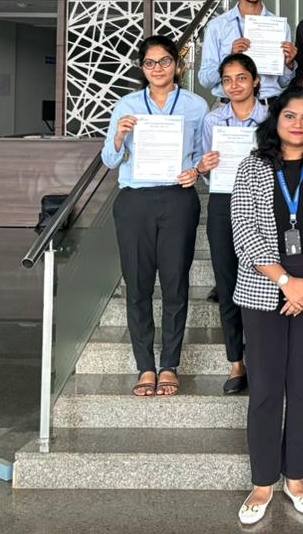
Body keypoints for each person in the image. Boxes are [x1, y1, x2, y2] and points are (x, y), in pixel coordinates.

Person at [229, 86, 303, 524]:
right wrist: (285, 282)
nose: (298, 124)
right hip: (265, 286)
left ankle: (296, 477)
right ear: (275, 120)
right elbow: (243, 228)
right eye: (290, 116)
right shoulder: (252, 165)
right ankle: (263, 481)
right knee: (265, 388)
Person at [100, 34, 209, 398]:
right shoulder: (127, 105)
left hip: (178, 199)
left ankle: (169, 365)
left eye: (165, 61)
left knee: (176, 284)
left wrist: (196, 171)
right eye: (150, 63)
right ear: (142, 68)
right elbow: (109, 159)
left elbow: (201, 154)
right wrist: (119, 136)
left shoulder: (195, 105)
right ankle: (145, 366)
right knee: (138, 286)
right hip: (135, 202)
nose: (158, 68)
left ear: (177, 64)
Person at [195, 52, 268, 395]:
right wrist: (204, 167)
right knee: (227, 282)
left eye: (241, 78)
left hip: (264, 204)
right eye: (227, 80)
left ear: (256, 80)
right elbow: (202, 168)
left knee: (263, 279)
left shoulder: (272, 118)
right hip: (224, 201)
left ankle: (263, 357)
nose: (234, 85)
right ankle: (236, 360)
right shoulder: (213, 120)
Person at [198, 0, 297, 100]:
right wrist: (230, 58)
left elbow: (283, 82)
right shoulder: (217, 26)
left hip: (269, 106)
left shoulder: (280, 27)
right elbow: (205, 80)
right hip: (229, 106)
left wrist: (289, 64)